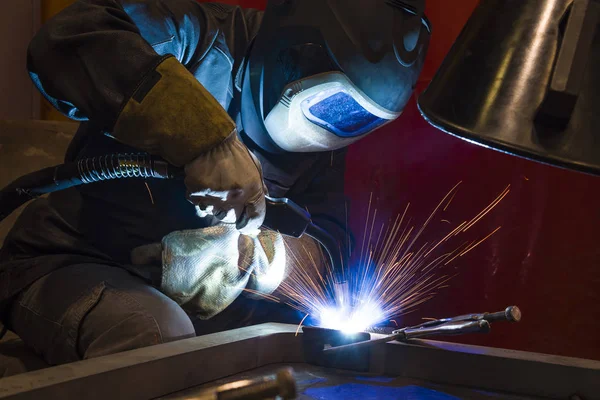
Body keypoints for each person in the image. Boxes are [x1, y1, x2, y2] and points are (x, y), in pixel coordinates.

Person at [0, 0, 430, 368]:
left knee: (326, 347)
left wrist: (256, 259)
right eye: (332, 103)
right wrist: (206, 139)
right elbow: (67, 41)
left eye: (359, 119)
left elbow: (328, 246)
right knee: (156, 334)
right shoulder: (195, 37)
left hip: (207, 303)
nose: (335, 127)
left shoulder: (329, 139)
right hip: (70, 261)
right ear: (297, 50)